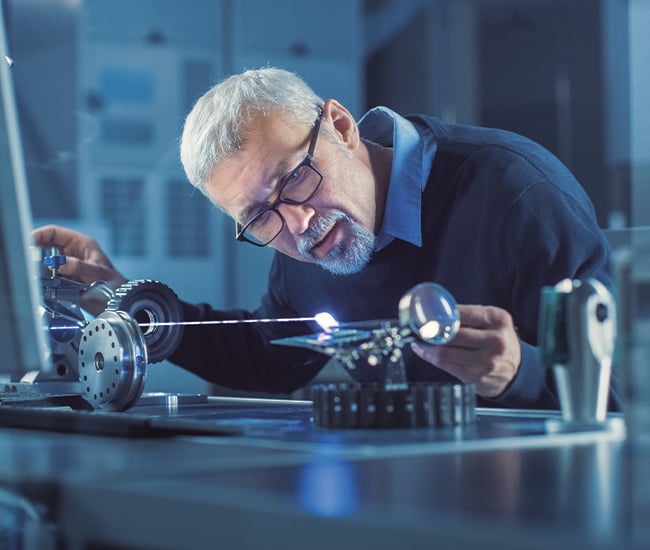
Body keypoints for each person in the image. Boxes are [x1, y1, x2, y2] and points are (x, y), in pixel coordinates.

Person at [34, 67, 615, 409]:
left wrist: (519, 371)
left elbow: (616, 401)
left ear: (340, 127)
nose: (298, 226)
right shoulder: (301, 241)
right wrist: (130, 304)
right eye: (259, 216)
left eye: (296, 181)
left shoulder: (517, 193)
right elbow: (273, 355)